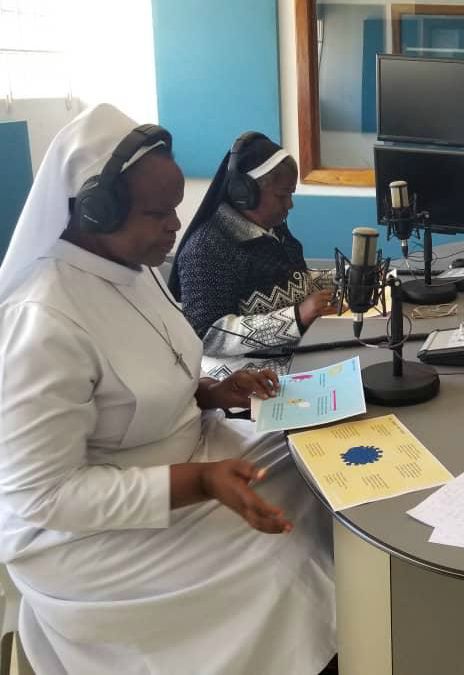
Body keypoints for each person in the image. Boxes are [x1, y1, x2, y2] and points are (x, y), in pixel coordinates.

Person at [0, 105, 338, 674]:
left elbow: (146, 375)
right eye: (158, 214)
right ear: (95, 211)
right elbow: (43, 499)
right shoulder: (43, 322)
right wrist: (200, 481)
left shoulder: (133, 270)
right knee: (288, 563)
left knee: (320, 466)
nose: (176, 228)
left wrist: (211, 390)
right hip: (90, 539)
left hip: (185, 456)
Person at [167, 132, 336, 379]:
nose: (290, 205)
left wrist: (343, 276)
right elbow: (207, 335)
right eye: (282, 195)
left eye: (291, 194)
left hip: (294, 354)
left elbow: (294, 280)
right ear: (245, 193)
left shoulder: (273, 228)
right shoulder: (206, 248)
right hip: (242, 379)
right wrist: (297, 316)